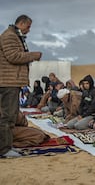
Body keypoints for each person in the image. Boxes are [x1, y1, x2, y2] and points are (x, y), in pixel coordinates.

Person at [0, 14, 42, 158]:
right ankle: (4, 149)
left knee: (10, 115)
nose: (29, 30)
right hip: (8, 82)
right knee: (7, 117)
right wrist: (33, 55)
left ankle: (7, 146)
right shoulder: (10, 36)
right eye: (28, 26)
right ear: (22, 23)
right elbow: (13, 56)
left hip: (11, 81)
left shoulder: (13, 36)